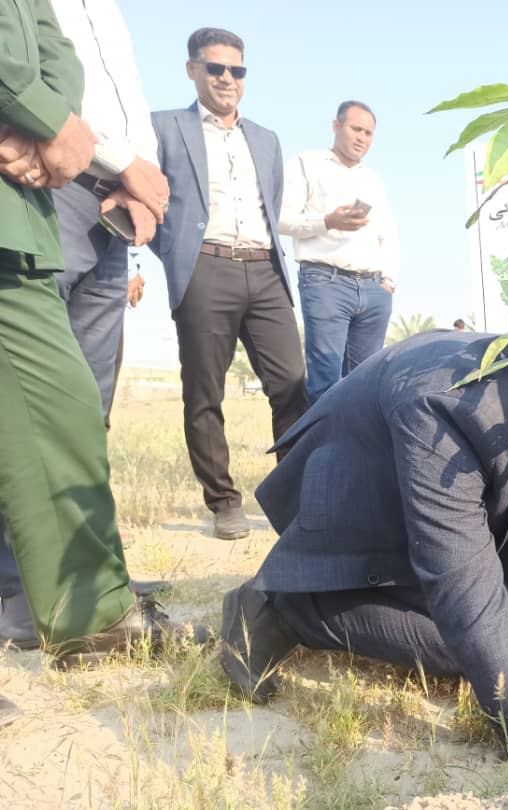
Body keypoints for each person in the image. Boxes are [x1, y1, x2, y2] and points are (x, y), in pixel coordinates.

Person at [218, 330, 508, 771]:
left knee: (501, 633)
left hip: (436, 494)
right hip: (355, 494)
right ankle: (287, 606)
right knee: (471, 644)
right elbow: (467, 604)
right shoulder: (452, 412)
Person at [0, 0, 204, 725]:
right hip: (38, 171)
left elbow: (59, 58)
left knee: (70, 406)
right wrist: (45, 122)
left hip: (65, 188)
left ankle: (83, 605)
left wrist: (101, 156)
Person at [151, 27, 307, 541]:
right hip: (206, 268)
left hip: (265, 271)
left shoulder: (266, 139)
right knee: (204, 392)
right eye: (214, 67)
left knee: (292, 386)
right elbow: (148, 202)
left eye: (236, 70)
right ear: (192, 69)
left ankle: (294, 504)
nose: (226, 78)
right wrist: (176, 255)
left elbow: (272, 204)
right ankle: (223, 502)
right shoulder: (164, 128)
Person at [279, 101, 399, 403]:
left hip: (373, 289)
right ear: (336, 126)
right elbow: (280, 219)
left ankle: (358, 438)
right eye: (356, 129)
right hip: (326, 282)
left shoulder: (373, 179)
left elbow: (388, 233)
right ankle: (322, 436)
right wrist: (327, 221)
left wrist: (388, 281)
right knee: (326, 382)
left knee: (367, 384)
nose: (362, 138)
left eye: (368, 133)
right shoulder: (306, 164)